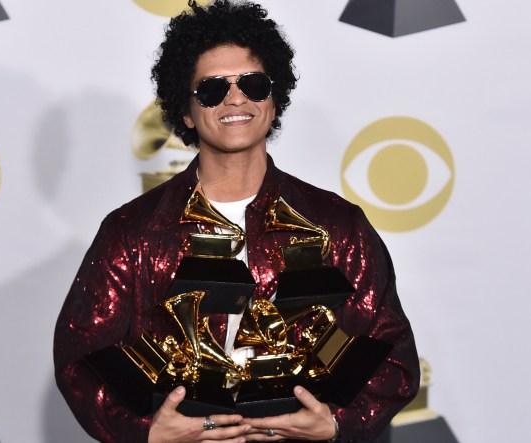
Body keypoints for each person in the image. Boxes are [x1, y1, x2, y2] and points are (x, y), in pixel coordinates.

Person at [53, 1, 420, 442]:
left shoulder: (337, 224)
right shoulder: (133, 232)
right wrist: (147, 432)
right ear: (185, 112)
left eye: (253, 83)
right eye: (211, 89)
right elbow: (80, 354)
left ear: (274, 98)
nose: (235, 97)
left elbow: (392, 351)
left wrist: (341, 422)